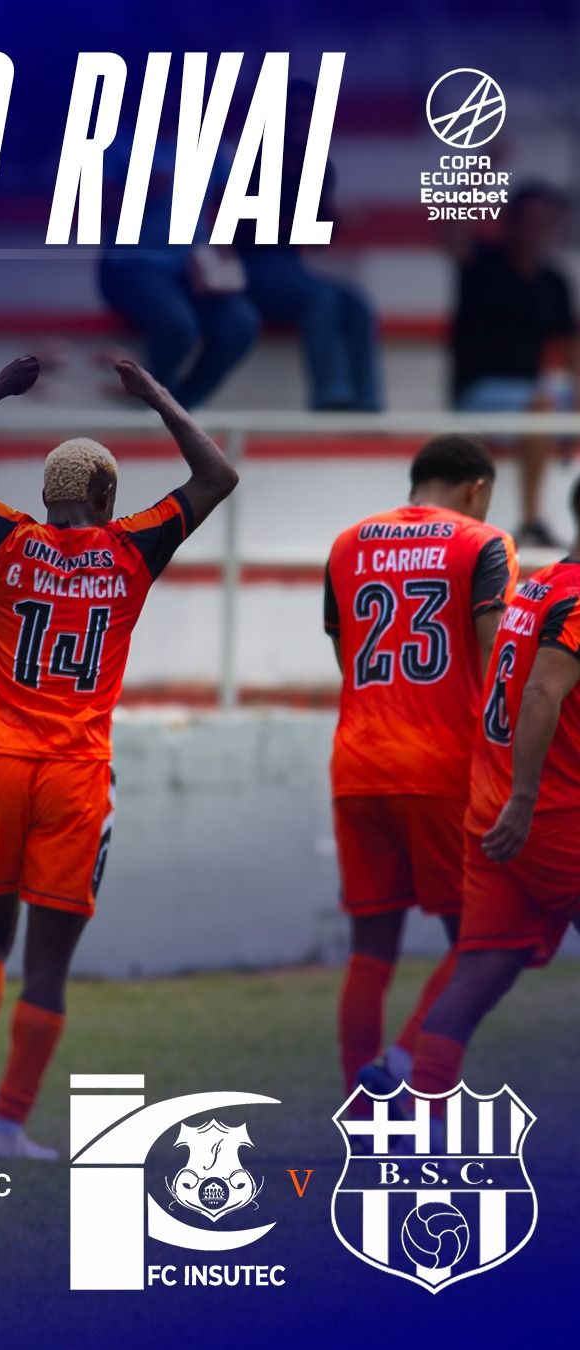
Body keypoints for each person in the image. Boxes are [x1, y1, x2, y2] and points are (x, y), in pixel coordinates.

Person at [0, 354, 238, 1158]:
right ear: (107, 498)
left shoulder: (3, 537)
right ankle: (9, 1125)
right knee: (47, 967)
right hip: (76, 775)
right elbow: (217, 475)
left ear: (47, 496)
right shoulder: (133, 549)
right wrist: (155, 394)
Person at [324, 437, 517, 1101]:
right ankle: (403, 1060)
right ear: (477, 489)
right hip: (443, 764)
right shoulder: (484, 542)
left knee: (370, 951)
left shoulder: (347, 543)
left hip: (358, 760)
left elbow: (346, 654)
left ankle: (358, 1107)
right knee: (482, 939)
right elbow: (497, 655)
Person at [409, 475, 580, 1121]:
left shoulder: (540, 585)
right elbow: (540, 693)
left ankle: (419, 1120)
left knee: (478, 976)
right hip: (550, 816)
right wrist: (527, 799)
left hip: (495, 814)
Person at [236, 79, 382, 411]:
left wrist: (332, 219)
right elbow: (247, 228)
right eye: (295, 112)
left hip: (290, 266)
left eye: (309, 113)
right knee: (321, 299)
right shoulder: (251, 160)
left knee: (358, 304)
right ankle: (331, 395)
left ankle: (368, 401)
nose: (303, 120)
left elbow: (315, 242)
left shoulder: (319, 167)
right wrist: (309, 220)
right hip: (250, 265)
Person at [97, 112, 260, 408]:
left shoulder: (212, 148)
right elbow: (91, 209)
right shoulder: (118, 144)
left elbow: (231, 206)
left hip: (193, 270)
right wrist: (137, 193)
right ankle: (150, 401)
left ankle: (180, 405)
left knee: (241, 323)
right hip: (132, 266)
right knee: (178, 325)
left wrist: (222, 248)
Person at [450, 183, 580, 547]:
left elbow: (571, 347)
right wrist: (481, 168)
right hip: (479, 391)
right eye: (530, 220)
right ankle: (531, 519)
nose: (537, 230)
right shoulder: (481, 262)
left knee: (546, 398)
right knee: (540, 403)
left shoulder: (554, 280)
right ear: (511, 222)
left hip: (533, 391)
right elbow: (452, 230)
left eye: (545, 222)